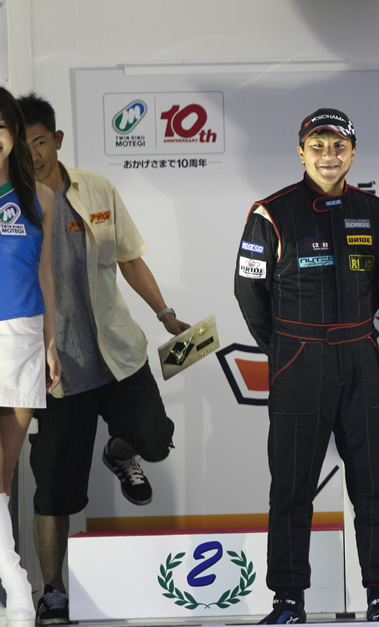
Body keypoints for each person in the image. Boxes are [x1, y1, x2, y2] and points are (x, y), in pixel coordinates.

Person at [235, 108, 379, 624]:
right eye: (318, 146)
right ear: (301, 152)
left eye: (338, 146)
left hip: (360, 355)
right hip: (298, 357)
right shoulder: (271, 212)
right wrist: (283, 349)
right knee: (292, 488)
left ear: (353, 154)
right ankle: (288, 600)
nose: (328, 155)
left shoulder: (375, 211)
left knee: (374, 484)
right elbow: (248, 292)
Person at [18, 92, 184, 625]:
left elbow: (129, 259)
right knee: (54, 492)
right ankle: (53, 591)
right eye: (22, 145)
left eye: (40, 142)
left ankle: (118, 450)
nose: (33, 154)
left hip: (116, 353)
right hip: (51, 370)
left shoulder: (96, 189)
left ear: (57, 140)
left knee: (154, 438)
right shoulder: (9, 202)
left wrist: (165, 314)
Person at [0, 87, 59, 622]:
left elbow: (44, 274)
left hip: (22, 337)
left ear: (13, 134)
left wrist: (51, 341)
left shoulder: (39, 196)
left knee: (7, 468)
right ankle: (17, 585)